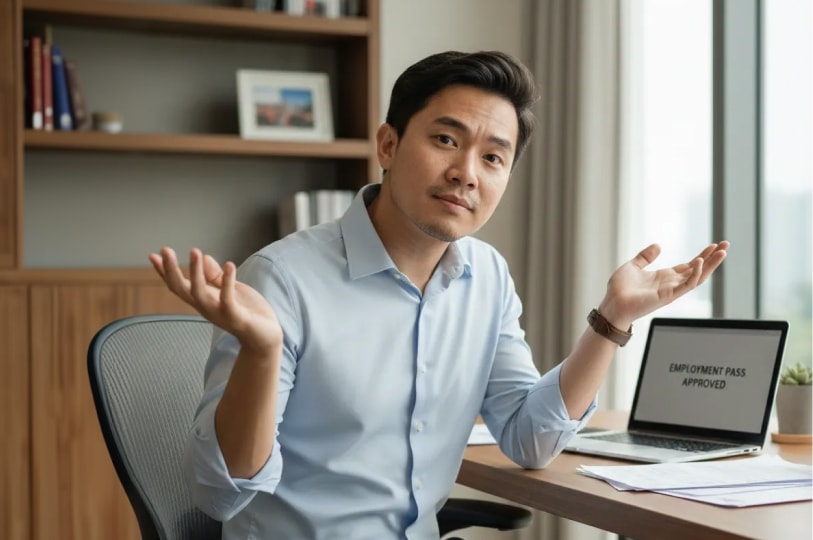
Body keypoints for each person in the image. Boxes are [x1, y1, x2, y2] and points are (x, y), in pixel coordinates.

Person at [149, 50, 728, 539]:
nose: (466, 172)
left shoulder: (488, 276)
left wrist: (612, 319)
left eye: (493, 157)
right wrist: (260, 351)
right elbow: (221, 495)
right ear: (388, 144)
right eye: (447, 139)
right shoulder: (281, 278)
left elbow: (530, 440)